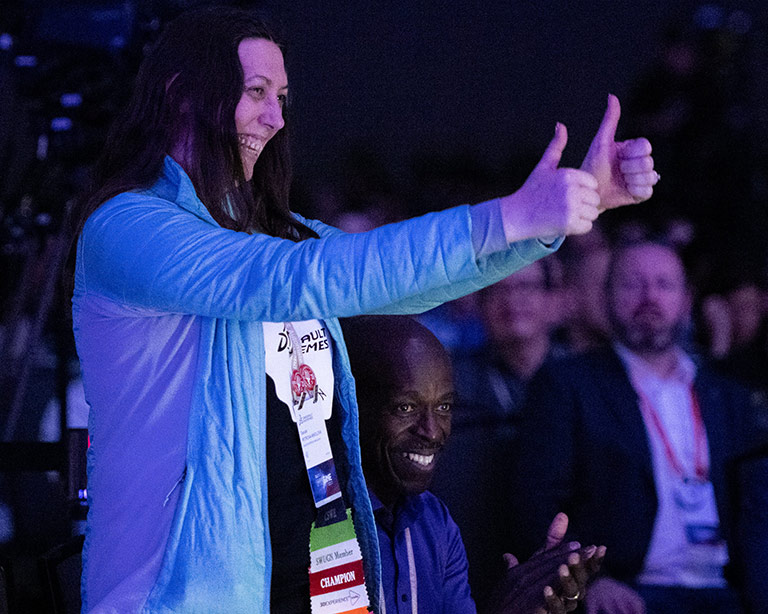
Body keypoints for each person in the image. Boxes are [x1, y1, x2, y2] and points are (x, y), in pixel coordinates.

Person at [67, 6, 658, 613]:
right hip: (180, 597)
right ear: (182, 94)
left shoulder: (269, 233)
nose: (276, 118)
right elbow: (299, 277)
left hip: (319, 579)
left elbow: (392, 284)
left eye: (282, 98)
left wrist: (547, 223)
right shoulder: (126, 227)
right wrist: (509, 216)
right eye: (256, 92)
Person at [509, 240, 767, 614]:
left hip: (730, 590)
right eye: (632, 284)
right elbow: (535, 501)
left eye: (664, 284)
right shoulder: (567, 385)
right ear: (606, 298)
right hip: (629, 592)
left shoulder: (728, 397)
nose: (650, 297)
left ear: (686, 299)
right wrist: (589, 580)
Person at [342, 315, 605, 614]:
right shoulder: (316, 524)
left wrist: (528, 597)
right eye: (406, 407)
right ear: (351, 407)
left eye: (443, 407)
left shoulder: (435, 522)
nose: (432, 431)